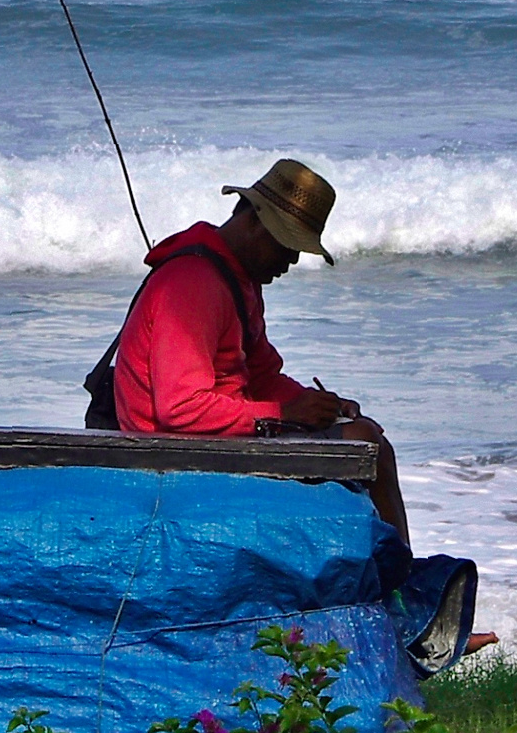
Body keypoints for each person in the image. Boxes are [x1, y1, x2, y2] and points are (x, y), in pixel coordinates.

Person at [101, 158, 409, 542]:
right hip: (176, 455)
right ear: (254, 223)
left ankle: (389, 569)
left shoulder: (236, 279)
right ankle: (399, 577)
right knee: (368, 446)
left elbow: (261, 377)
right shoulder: (193, 284)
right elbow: (179, 408)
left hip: (217, 441)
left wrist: (311, 404)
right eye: (287, 246)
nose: (292, 260)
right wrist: (281, 414)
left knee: (364, 435)